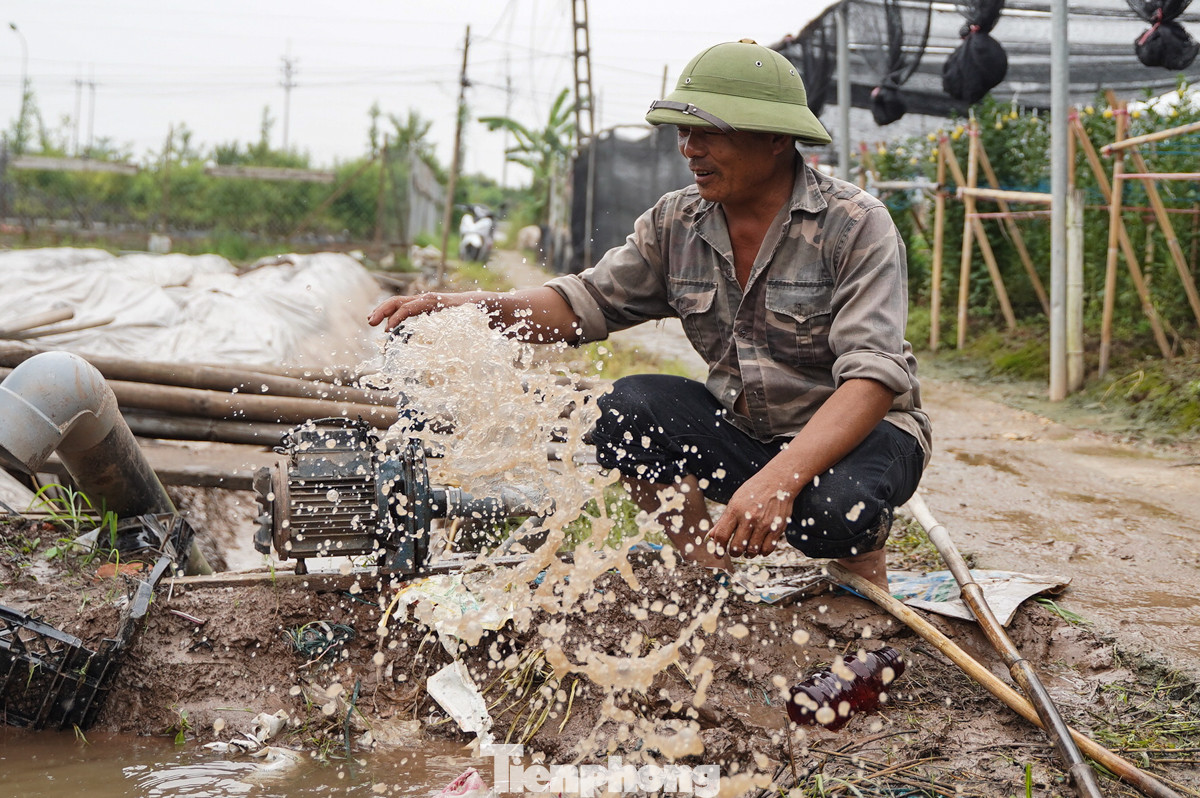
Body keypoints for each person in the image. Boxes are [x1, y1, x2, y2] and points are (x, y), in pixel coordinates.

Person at [369, 39, 931, 589]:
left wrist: (779, 481)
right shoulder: (675, 223)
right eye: (684, 132)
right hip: (749, 429)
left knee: (834, 511)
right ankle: (705, 575)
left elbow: (872, 378)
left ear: (777, 138)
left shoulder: (854, 224)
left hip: (861, 435)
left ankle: (863, 582)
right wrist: (462, 308)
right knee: (624, 411)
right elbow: (580, 305)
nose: (689, 148)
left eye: (710, 132)